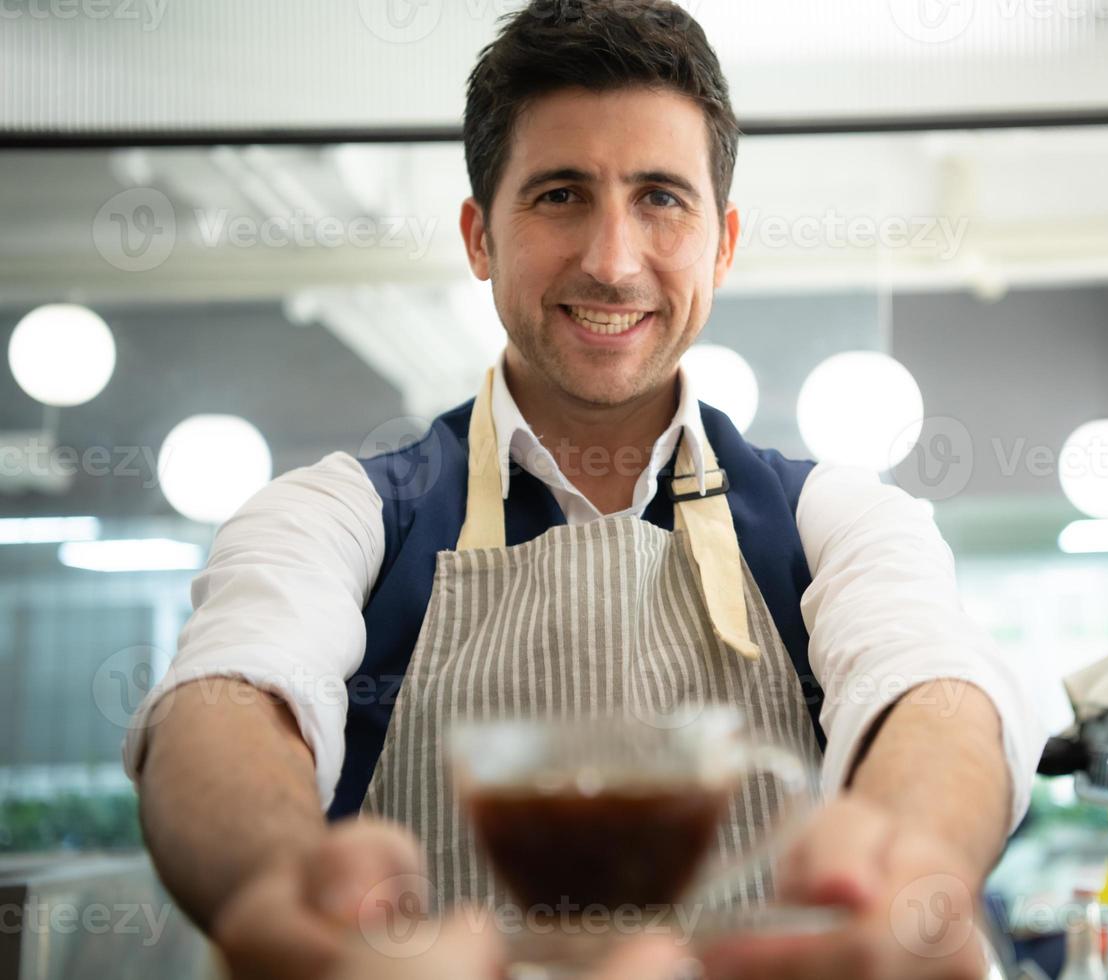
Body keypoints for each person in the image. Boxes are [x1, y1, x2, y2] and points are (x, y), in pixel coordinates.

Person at [123, 2, 1046, 977]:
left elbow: (933, 689)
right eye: (561, 194)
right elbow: (228, 693)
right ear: (480, 236)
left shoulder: (841, 520)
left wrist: (908, 865)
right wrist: (274, 884)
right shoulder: (342, 514)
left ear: (723, 244)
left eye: (661, 198)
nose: (612, 261)